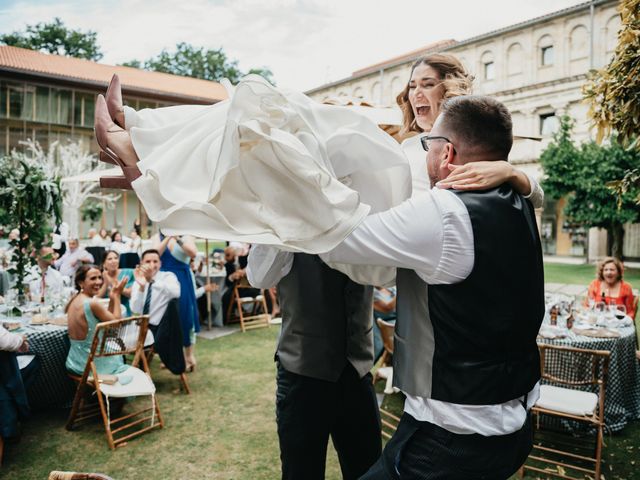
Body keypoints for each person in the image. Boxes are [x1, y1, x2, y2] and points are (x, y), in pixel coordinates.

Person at [319, 95, 544, 479]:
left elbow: (337, 239)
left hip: (451, 435)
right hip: (515, 423)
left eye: (429, 144)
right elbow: (536, 191)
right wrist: (517, 174)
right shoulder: (518, 199)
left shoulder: (443, 211)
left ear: (448, 152)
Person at [65, 265, 129, 376]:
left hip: (75, 360)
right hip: (92, 364)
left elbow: (107, 323)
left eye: (100, 277)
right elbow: (117, 325)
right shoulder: (92, 303)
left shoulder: (74, 299)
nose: (98, 282)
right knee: (121, 359)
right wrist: (118, 295)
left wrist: (113, 297)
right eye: (93, 278)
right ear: (81, 283)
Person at [151, 233, 200, 370]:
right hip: (164, 280)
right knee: (165, 316)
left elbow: (193, 253)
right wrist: (167, 237)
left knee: (184, 315)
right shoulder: (157, 237)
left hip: (182, 279)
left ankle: (189, 355)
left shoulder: (186, 236)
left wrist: (177, 238)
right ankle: (169, 355)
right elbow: (155, 254)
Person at [129, 249, 180, 350]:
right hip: (141, 325)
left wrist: (152, 281)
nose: (152, 264)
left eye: (155, 261)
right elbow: (135, 309)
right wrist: (141, 288)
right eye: (148, 261)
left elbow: (176, 293)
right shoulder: (138, 281)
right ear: (141, 263)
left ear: (160, 263)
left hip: (160, 326)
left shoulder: (168, 276)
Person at [97, 250, 135, 316]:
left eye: (116, 258)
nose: (113, 261)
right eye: (110, 259)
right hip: (106, 311)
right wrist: (106, 283)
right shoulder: (100, 276)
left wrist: (111, 281)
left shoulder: (129, 273)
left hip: (125, 311)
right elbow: (97, 297)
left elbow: (130, 294)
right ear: (104, 264)